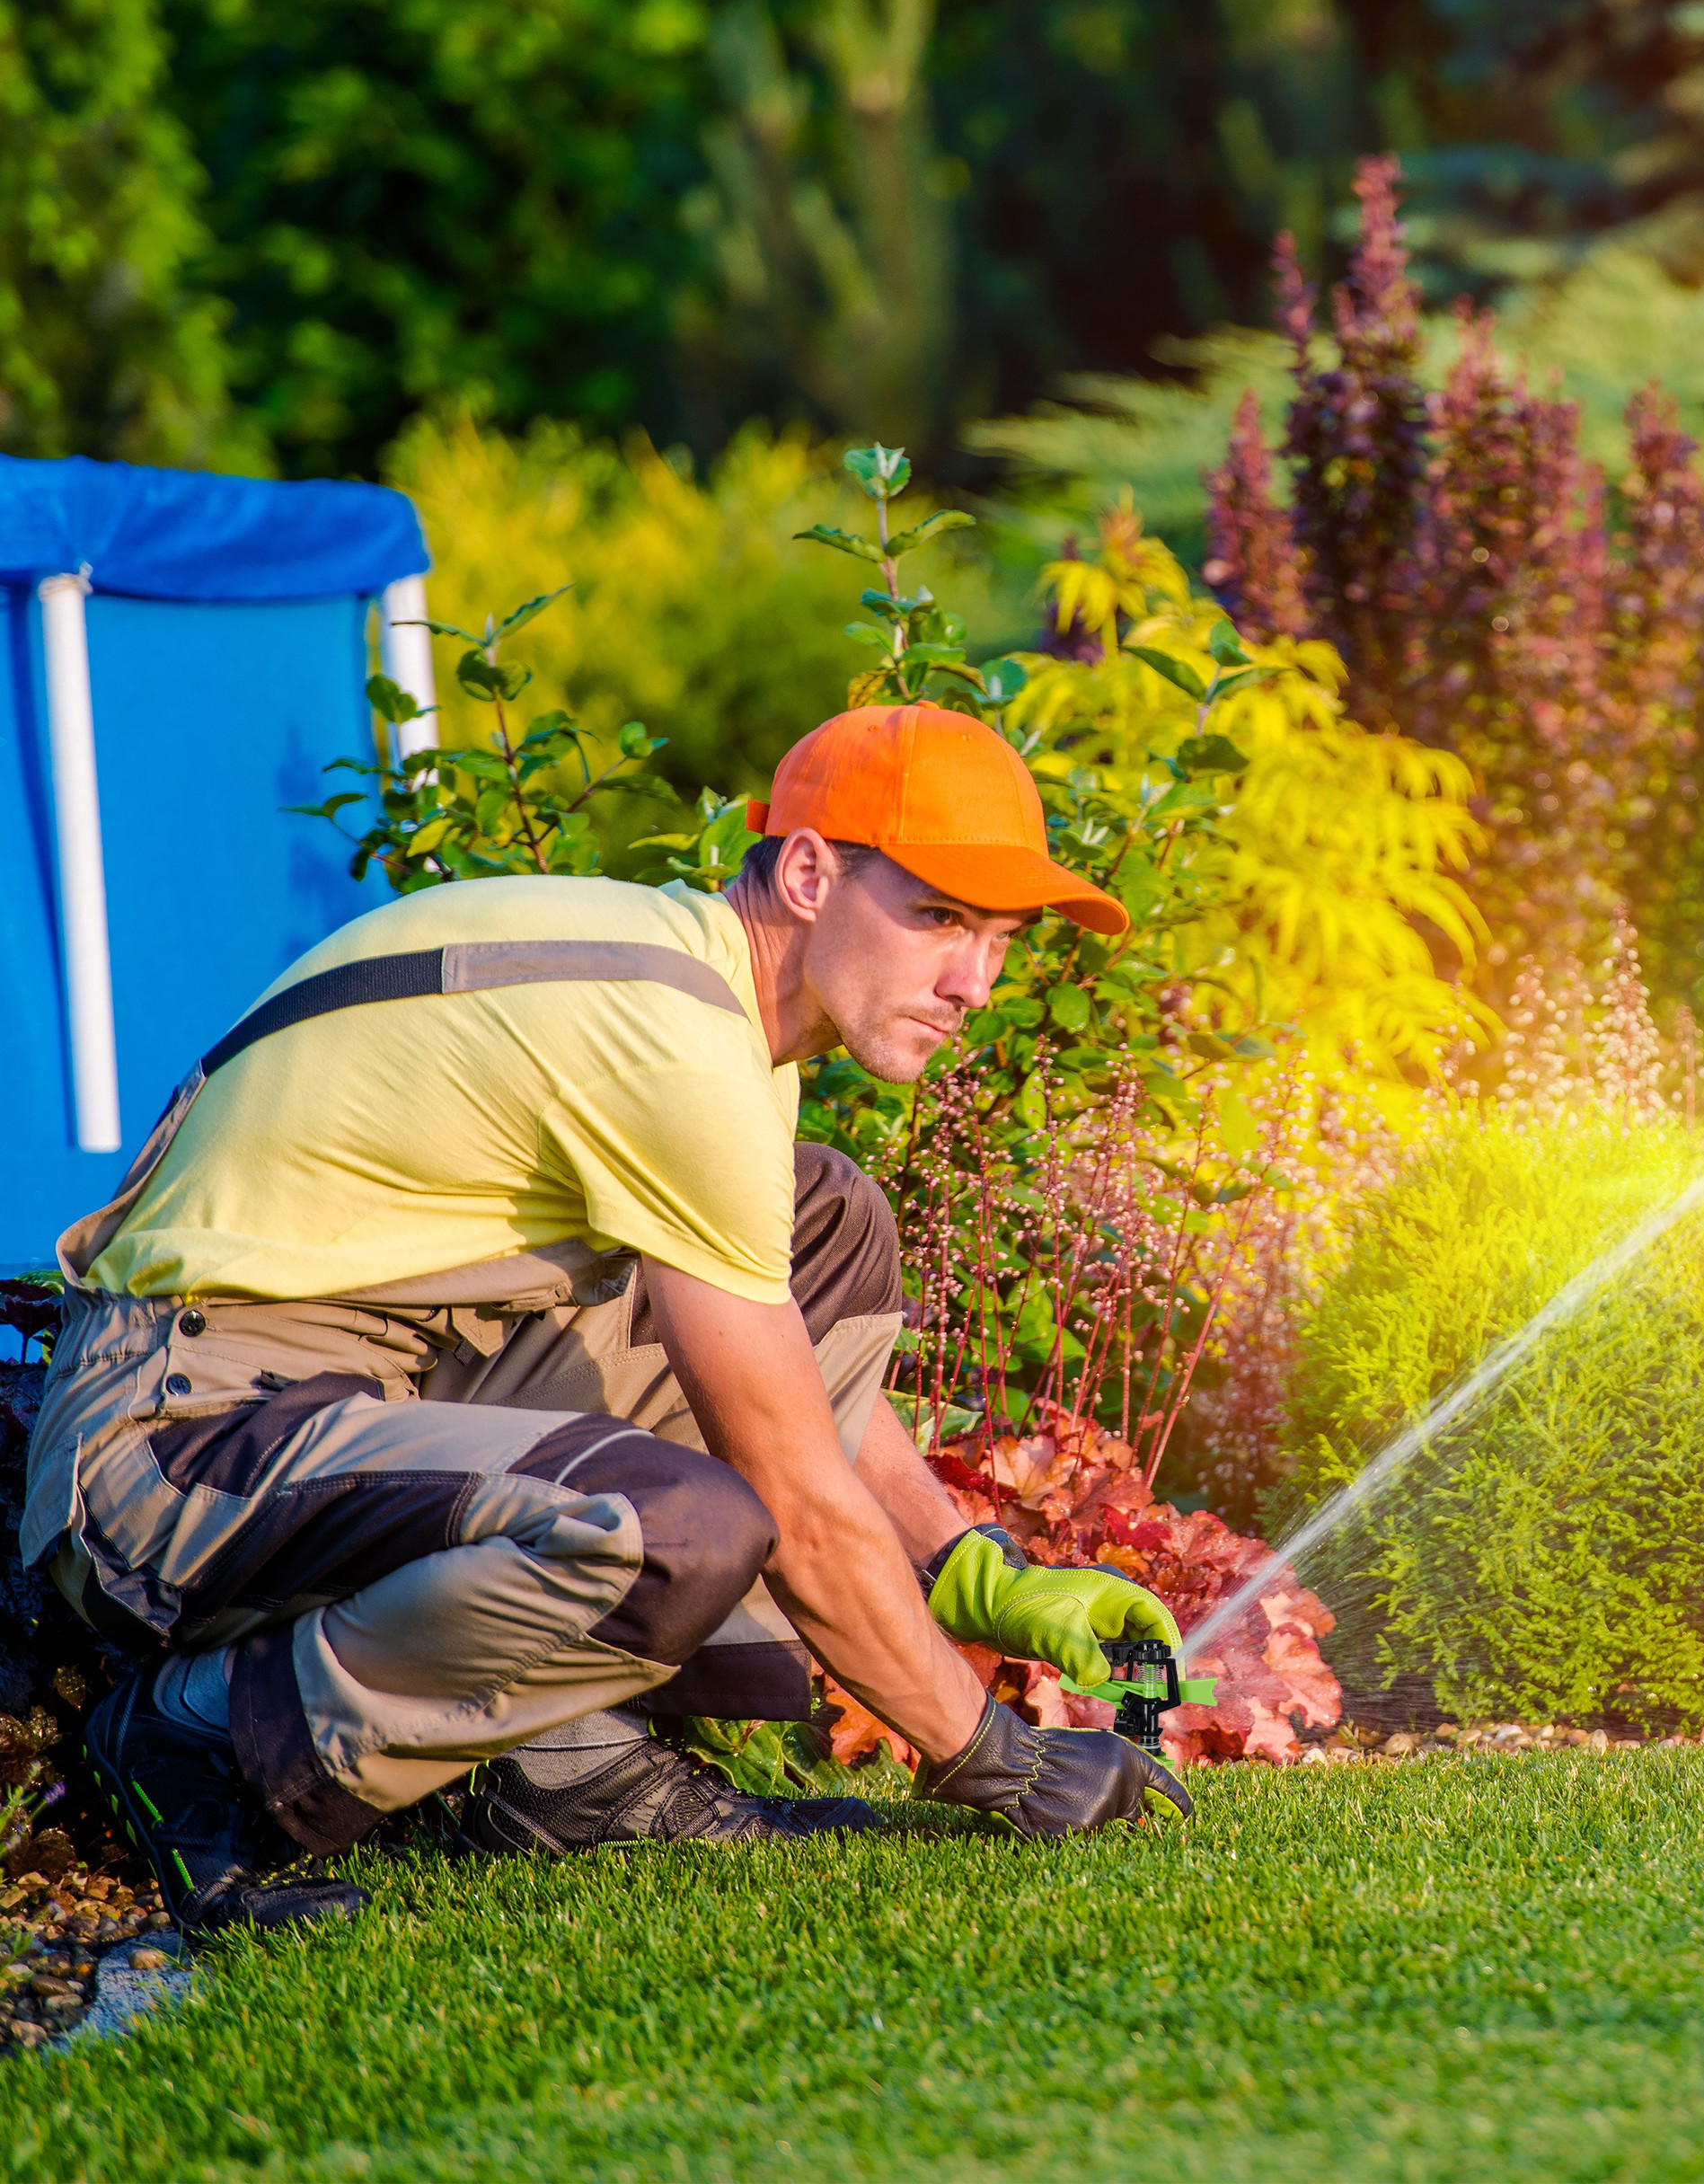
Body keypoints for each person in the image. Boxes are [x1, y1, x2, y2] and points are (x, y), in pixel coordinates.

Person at [22, 703, 1191, 1939]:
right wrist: (994, 1759)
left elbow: (783, 1387)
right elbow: (789, 1492)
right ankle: (205, 1739)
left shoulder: (710, 1010)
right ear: (806, 872)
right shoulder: (676, 1040)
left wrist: (971, 1570)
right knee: (672, 1533)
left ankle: (563, 1768)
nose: (974, 984)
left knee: (826, 1222)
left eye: (999, 938)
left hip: (355, 1400)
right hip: (172, 1450)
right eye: (940, 919)